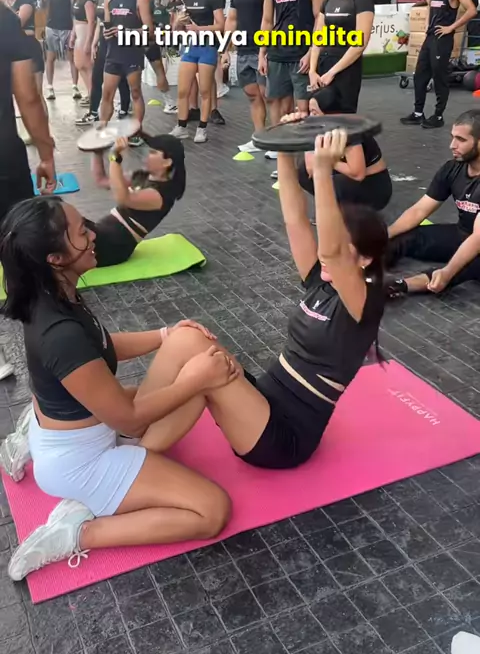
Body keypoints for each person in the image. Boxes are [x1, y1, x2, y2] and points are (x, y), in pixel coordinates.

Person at [1, 129, 387, 567]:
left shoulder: (362, 303)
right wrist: (283, 149)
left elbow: (331, 251)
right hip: (265, 398)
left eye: (341, 250)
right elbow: (296, 221)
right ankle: (125, 460)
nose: (326, 252)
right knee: (194, 350)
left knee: (201, 373)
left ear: (365, 260)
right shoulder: (322, 279)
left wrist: (323, 172)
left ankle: (114, 480)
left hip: (287, 436)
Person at [0, 196, 239, 581]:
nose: (93, 234)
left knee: (160, 387)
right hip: (82, 464)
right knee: (212, 510)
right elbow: (128, 419)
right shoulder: (59, 333)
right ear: (55, 259)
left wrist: (165, 335)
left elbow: (100, 344)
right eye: (82, 232)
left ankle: (35, 430)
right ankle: (76, 530)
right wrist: (198, 379)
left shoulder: (54, 293)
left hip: (73, 430)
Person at [0, 0, 56, 380]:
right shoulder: (4, 20)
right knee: (20, 250)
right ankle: (49, 349)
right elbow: (29, 97)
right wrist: (47, 154)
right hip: (4, 156)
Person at [386, 110, 480, 298]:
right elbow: (419, 211)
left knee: (468, 265)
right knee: (405, 235)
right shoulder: (452, 168)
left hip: (477, 241)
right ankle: (363, 266)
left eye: (461, 140)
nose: (452, 145)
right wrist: (383, 236)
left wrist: (448, 272)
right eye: (452, 137)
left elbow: (478, 238)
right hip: (463, 234)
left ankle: (399, 286)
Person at [84, 133, 186, 267]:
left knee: (67, 231)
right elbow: (102, 181)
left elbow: (123, 198)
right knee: (66, 224)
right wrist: (97, 152)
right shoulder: (141, 176)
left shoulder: (161, 194)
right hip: (102, 235)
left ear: (167, 162)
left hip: (113, 247)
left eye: (153, 153)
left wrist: (115, 158)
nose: (146, 155)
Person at [401, 0, 477, 129]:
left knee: (439, 77)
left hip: (443, 40)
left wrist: (451, 27)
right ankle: (418, 113)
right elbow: (430, 7)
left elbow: (472, 10)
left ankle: (438, 115)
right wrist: (427, 27)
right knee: (420, 75)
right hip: (430, 38)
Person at [259, 0, 325, 125]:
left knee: (304, 109)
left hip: (302, 54)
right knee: (277, 104)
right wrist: (262, 53)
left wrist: (311, 52)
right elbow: (267, 21)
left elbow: (320, 18)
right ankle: (278, 142)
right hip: (277, 53)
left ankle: (305, 145)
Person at [286, 105, 392, 211]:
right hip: (349, 176)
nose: (311, 117)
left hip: (373, 185)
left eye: (315, 112)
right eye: (310, 112)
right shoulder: (319, 128)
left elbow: (357, 174)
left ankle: (348, 213)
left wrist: (327, 160)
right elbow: (310, 168)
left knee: (336, 183)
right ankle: (330, 208)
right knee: (303, 173)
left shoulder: (348, 131)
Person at [309, 0, 375, 117]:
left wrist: (333, 72)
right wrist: (312, 71)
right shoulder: (329, 0)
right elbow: (318, 38)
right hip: (324, 67)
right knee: (318, 115)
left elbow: (359, 44)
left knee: (341, 121)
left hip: (346, 71)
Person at [170, 0, 225, 144]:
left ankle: (202, 129)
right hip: (190, 47)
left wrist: (199, 29)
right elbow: (179, 27)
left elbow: (220, 25)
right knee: (182, 90)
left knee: (205, 91)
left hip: (208, 47)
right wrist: (178, 22)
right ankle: (181, 127)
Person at [222, 0, 269, 154]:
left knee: (271, 97)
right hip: (243, 52)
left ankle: (278, 142)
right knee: (252, 95)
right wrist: (224, 50)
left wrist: (267, 50)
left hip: (265, 52)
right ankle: (260, 138)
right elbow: (231, 20)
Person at [99, 0, 152, 146]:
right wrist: (106, 33)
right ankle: (102, 131)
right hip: (113, 53)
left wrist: (126, 32)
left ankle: (136, 131)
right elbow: (108, 25)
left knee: (135, 92)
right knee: (107, 94)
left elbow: (149, 30)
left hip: (132, 53)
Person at [77, 0, 131, 127]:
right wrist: (95, 43)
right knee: (96, 78)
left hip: (117, 44)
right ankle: (93, 112)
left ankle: (124, 109)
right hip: (103, 44)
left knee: (121, 79)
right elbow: (99, 22)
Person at [132, 0, 177, 115]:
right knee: (158, 69)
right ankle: (169, 103)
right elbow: (144, 11)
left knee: (133, 71)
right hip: (148, 35)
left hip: (135, 34)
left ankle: (128, 104)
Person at [0, 0, 47, 116]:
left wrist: (4, 4)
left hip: (30, 51)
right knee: (19, 95)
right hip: (10, 55)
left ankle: (44, 128)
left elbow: (15, 24)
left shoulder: (25, 1)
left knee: (35, 94)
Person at [41, 0, 81, 102]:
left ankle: (75, 86)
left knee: (71, 57)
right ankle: (50, 87)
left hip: (67, 26)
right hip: (51, 25)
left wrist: (74, 27)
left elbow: (73, 5)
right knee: (50, 58)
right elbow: (44, 5)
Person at [68, 0, 95, 102]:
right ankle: (90, 92)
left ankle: (93, 95)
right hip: (78, 34)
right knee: (79, 65)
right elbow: (75, 19)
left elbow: (91, 22)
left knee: (87, 66)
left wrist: (89, 42)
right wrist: (72, 35)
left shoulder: (87, 0)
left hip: (85, 35)